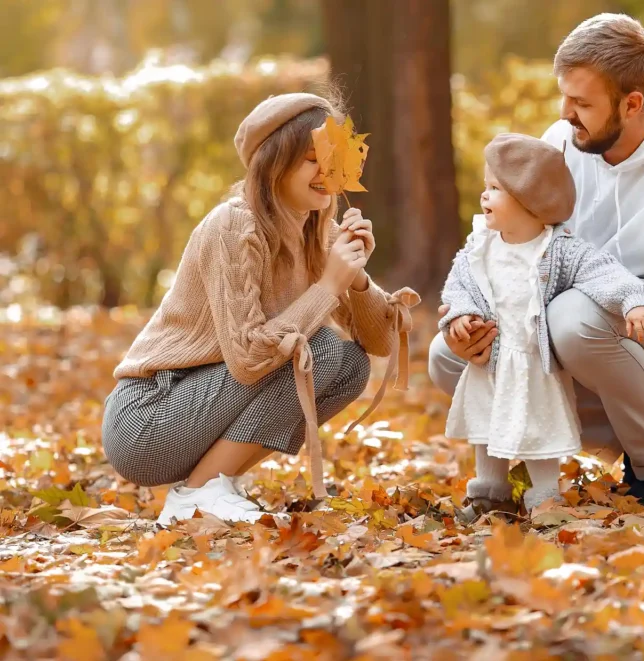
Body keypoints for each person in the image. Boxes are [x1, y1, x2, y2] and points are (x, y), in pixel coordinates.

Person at [429, 14, 644, 509]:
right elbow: (504, 224)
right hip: (582, 310)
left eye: (582, 102)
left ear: (632, 104)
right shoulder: (566, 139)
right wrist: (473, 305)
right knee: (448, 357)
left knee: (573, 317)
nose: (566, 113)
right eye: (565, 96)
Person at [102, 92, 418, 525]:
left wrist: (357, 278)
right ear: (273, 163)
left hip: (202, 408)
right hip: (149, 417)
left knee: (349, 364)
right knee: (321, 347)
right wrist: (329, 285)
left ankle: (211, 486)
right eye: (311, 159)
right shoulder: (233, 225)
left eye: (334, 158)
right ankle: (197, 494)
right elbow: (249, 358)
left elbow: (378, 343)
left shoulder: (314, 231)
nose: (326, 171)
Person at [441, 133, 644, 513]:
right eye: (485, 186)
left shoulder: (558, 249)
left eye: (495, 188)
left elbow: (603, 273)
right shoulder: (479, 247)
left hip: (532, 364)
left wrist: (632, 302)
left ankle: (545, 499)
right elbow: (457, 286)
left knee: (538, 428)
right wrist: (460, 314)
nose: (484, 196)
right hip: (491, 362)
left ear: (529, 203)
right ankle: (488, 493)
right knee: (487, 426)